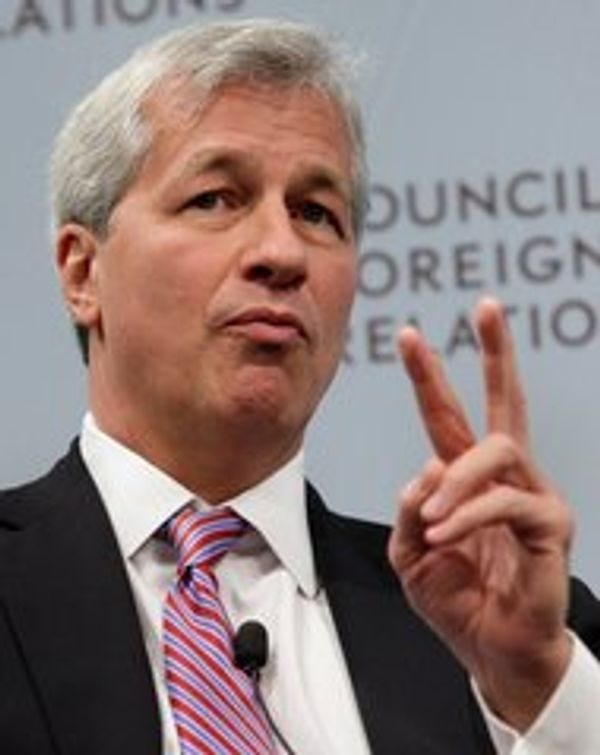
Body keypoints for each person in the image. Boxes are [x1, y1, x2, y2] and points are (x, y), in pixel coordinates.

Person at [0, 18, 599, 755]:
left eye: (316, 213)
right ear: (82, 272)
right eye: (215, 199)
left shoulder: (503, 631)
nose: (282, 252)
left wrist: (533, 684)